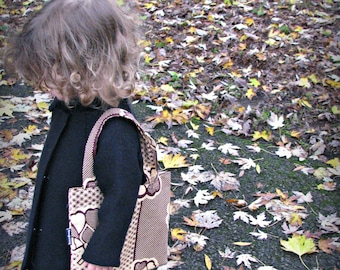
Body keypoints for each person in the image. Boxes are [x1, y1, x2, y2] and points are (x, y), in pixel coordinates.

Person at [5, 0, 145, 269]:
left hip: (80, 248)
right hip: (56, 225)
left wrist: (102, 255)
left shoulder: (114, 128)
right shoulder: (70, 106)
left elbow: (122, 195)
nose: (42, 84)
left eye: (50, 73)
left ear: (84, 68)